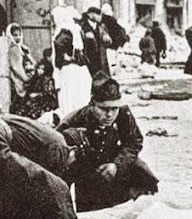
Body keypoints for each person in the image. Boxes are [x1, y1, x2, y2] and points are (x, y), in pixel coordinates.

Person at [56, 72, 159, 211]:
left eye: (114, 108)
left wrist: (117, 165)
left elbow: (134, 141)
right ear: (92, 104)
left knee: (136, 195)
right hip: (88, 175)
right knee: (93, 217)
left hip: (118, 169)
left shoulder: (123, 114)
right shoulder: (74, 121)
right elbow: (58, 156)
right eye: (104, 109)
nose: (110, 115)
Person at [51, 6, 92, 118]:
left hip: (69, 71)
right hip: (80, 70)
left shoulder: (63, 33)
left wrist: (62, 60)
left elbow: (59, 56)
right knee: (80, 99)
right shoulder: (76, 30)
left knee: (69, 100)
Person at [6, 23, 35, 115]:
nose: (18, 38)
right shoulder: (13, 49)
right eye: (15, 35)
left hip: (26, 75)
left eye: (19, 35)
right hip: (19, 77)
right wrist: (25, 78)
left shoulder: (22, 48)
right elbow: (16, 67)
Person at [80, 6, 112, 77]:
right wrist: (85, 37)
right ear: (91, 15)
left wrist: (108, 39)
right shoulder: (82, 26)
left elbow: (109, 41)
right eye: (98, 15)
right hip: (88, 59)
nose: (100, 17)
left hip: (101, 60)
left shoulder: (101, 27)